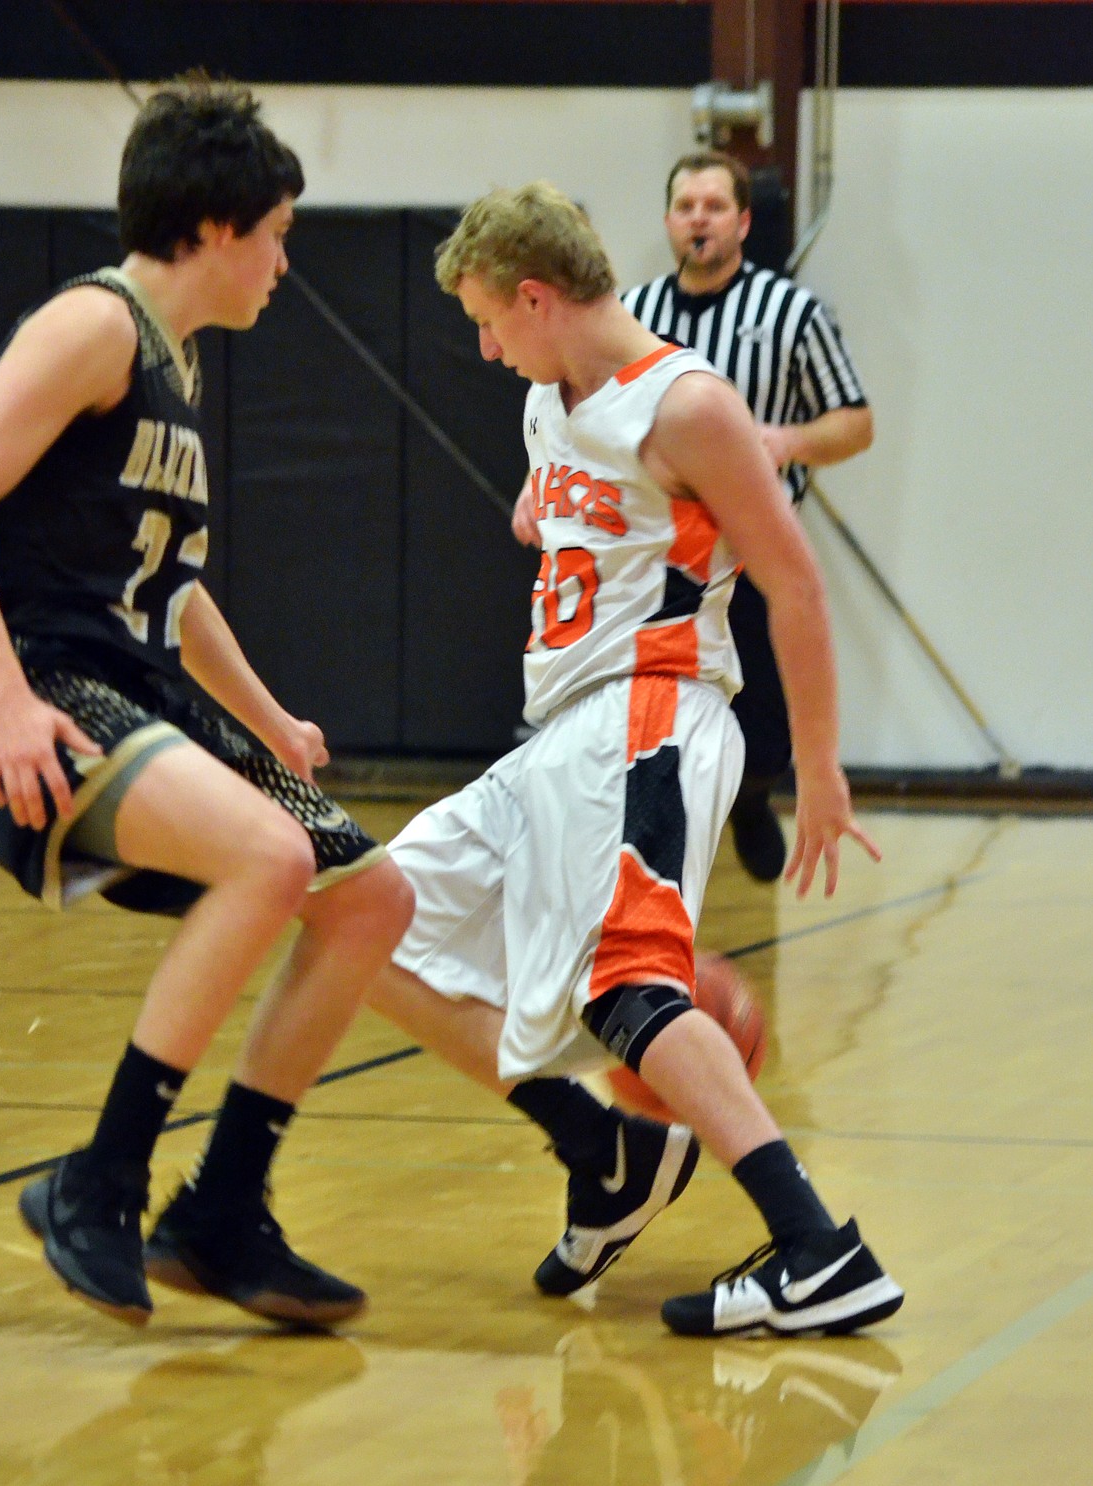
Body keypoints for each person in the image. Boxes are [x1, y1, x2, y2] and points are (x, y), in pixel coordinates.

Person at [366, 181, 903, 1337]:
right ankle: (602, 1147)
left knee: (628, 989)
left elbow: (794, 581)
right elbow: (569, 498)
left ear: (537, 295)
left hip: (652, 715)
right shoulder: (549, 396)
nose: (482, 345)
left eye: (488, 320)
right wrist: (544, 514)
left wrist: (817, 769)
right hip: (558, 734)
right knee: (367, 912)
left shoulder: (689, 404)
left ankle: (820, 1250)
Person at [0, 75, 414, 1328]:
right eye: (280, 233)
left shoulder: (175, 362)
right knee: (268, 854)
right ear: (211, 228)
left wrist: (260, 715)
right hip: (38, 677)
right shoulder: (93, 325)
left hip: (132, 680)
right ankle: (102, 1179)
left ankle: (222, 1206)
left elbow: (176, 595)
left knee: (370, 897)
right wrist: (0, 701)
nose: (287, 262)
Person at [515, 151, 874, 884]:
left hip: (750, 550)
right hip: (652, 559)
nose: (698, 220)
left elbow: (857, 422)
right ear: (669, 221)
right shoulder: (632, 313)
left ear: (743, 221)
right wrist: (539, 481)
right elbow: (573, 414)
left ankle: (751, 794)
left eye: (715, 206)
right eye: (686, 207)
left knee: (766, 728)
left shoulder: (791, 313)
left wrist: (787, 440)